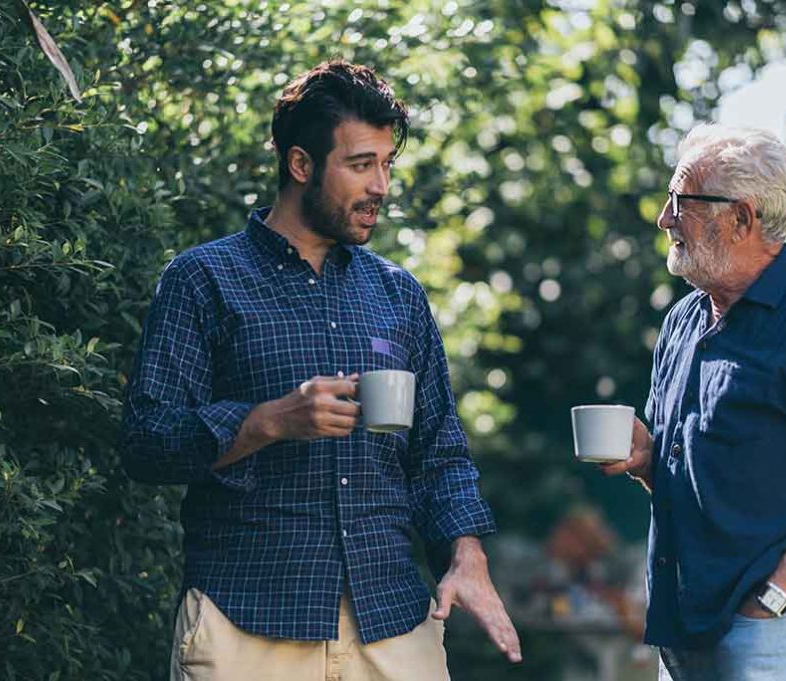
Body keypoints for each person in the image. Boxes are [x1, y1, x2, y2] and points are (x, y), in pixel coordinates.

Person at [119, 60, 521, 681]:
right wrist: (267, 421)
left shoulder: (398, 295)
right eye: (361, 165)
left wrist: (466, 555)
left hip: (393, 625)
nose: (382, 185)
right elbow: (146, 444)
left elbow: (439, 451)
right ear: (301, 165)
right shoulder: (204, 281)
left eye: (388, 164)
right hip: (245, 625)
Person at [602, 125, 786, 680]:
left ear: (741, 218)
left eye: (680, 202)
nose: (665, 220)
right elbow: (701, 493)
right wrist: (647, 463)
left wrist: (773, 602)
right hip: (687, 638)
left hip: (782, 634)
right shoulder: (682, 322)